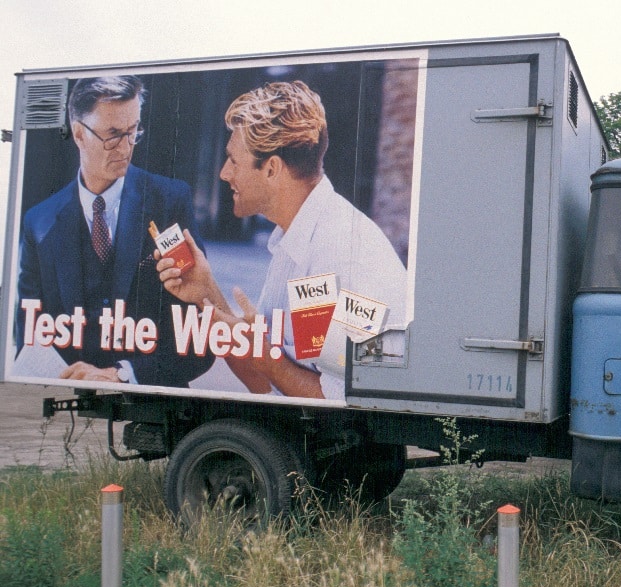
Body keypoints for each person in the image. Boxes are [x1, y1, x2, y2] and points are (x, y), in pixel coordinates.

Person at [158, 80, 407, 400]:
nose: (223, 173)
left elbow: (344, 403)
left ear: (272, 169)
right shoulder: (298, 239)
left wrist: (271, 364)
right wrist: (204, 291)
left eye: (233, 160)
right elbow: (269, 383)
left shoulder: (340, 254)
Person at [15, 76, 214, 387]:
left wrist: (123, 374)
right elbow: (29, 330)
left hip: (153, 398)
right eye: (112, 135)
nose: (125, 148)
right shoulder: (39, 222)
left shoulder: (169, 202)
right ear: (78, 133)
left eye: (132, 132)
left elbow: (197, 338)